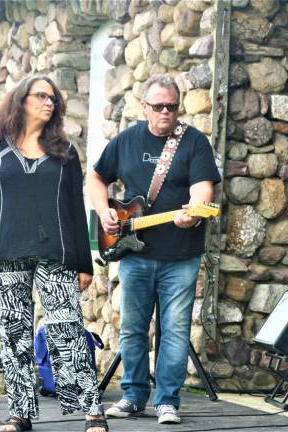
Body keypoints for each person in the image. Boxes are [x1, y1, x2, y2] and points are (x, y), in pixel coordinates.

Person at [0, 75, 108, 432]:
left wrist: (82, 261)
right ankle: (21, 413)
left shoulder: (65, 151)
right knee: (14, 334)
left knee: (68, 328)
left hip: (55, 254)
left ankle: (91, 409)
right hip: (4, 252)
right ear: (22, 100)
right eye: (42, 96)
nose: (50, 103)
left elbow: (76, 209)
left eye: (54, 99)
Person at [88, 74, 221, 424]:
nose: (165, 112)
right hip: (134, 253)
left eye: (172, 106)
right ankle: (133, 396)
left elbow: (203, 192)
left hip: (181, 256)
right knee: (132, 328)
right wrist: (104, 212)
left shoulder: (194, 142)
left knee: (175, 330)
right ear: (144, 107)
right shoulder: (127, 140)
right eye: (158, 106)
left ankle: (167, 401)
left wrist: (193, 216)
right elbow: (96, 177)